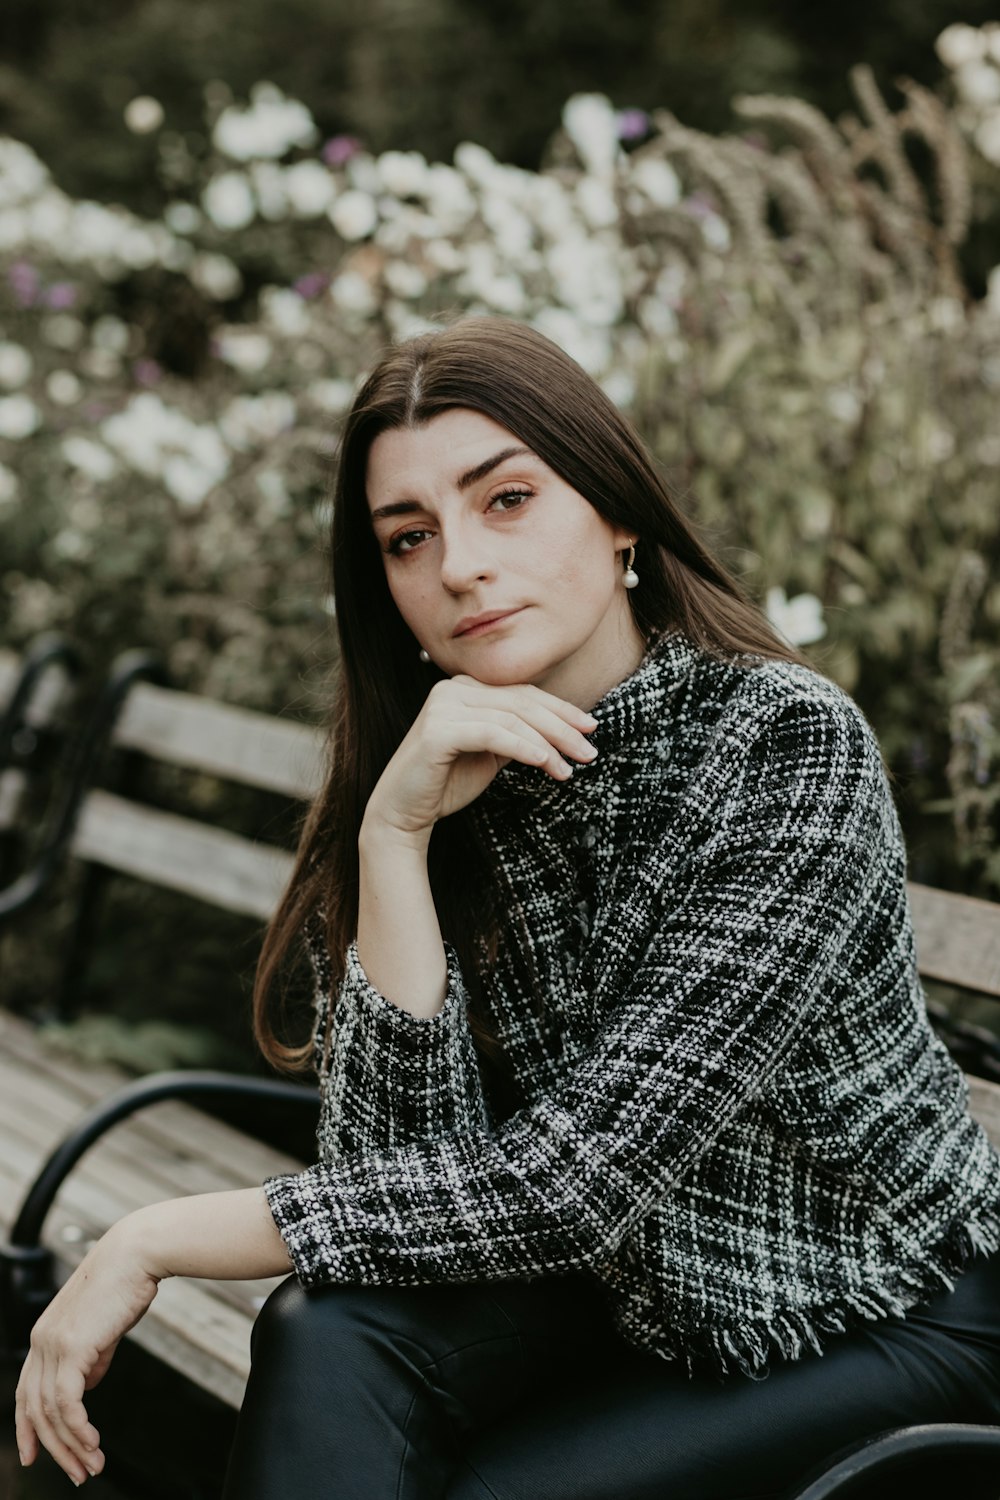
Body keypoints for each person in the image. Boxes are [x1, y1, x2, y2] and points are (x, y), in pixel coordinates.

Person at [14, 315, 1000, 1499]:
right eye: (408, 537)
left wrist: (152, 1236)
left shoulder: (781, 749)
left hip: (872, 1301)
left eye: (508, 501)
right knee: (328, 1327)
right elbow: (396, 1191)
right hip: (626, 1294)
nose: (460, 567)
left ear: (619, 510)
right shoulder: (434, 774)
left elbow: (571, 1187)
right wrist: (394, 839)